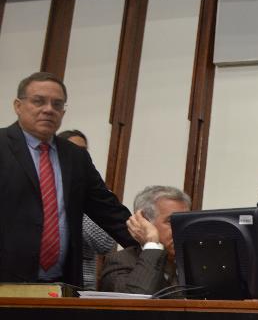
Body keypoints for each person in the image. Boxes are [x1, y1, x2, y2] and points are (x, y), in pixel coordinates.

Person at [0, 72, 134, 286]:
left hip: (62, 284)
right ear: (18, 106)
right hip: (6, 283)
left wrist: (151, 244)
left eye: (57, 104)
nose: (48, 109)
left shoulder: (76, 156)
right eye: (38, 101)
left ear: (63, 111)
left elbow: (109, 211)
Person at [99, 186, 191, 294]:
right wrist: (152, 243)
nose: (182, 229)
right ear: (144, 222)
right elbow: (134, 299)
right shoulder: (121, 261)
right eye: (171, 221)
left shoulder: (192, 262)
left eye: (185, 221)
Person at [58, 129, 118, 290]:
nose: (77, 155)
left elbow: (105, 244)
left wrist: (75, 203)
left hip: (81, 286)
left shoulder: (96, 193)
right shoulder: (45, 188)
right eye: (71, 149)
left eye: (82, 151)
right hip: (39, 282)